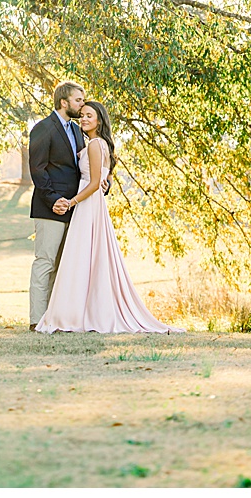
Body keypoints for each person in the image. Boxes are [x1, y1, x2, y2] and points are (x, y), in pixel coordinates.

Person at [35, 100, 182, 334]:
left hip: (86, 205)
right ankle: (83, 310)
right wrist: (104, 181)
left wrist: (71, 202)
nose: (83, 119)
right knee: (88, 257)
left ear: (99, 120)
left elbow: (95, 183)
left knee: (81, 257)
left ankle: (76, 313)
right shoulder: (99, 143)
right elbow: (105, 176)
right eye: (82, 115)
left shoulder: (95, 144)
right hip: (92, 204)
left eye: (89, 116)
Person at [26, 79, 86, 329]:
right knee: (45, 263)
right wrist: (53, 200)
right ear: (64, 102)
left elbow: (82, 168)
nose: (82, 105)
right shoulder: (43, 128)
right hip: (49, 208)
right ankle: (36, 321)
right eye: (78, 100)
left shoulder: (77, 131)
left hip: (74, 209)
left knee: (63, 268)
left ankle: (55, 319)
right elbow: (38, 170)